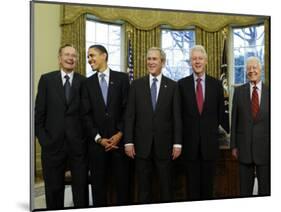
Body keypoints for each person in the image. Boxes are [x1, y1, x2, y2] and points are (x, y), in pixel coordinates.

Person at [124, 47, 182, 203]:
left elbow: (177, 117)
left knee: (166, 188)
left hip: (165, 147)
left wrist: (177, 144)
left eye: (154, 59)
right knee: (143, 189)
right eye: (149, 59)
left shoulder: (173, 86)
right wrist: (128, 141)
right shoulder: (136, 85)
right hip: (141, 147)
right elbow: (130, 116)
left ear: (162, 62)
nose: (151, 62)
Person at [35, 44, 89, 209]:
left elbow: (88, 115)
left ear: (77, 60)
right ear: (59, 58)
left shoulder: (84, 82)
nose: (70, 58)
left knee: (81, 190)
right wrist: (45, 140)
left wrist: (84, 141)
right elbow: (39, 115)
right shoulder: (46, 80)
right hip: (52, 146)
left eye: (73, 55)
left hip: (78, 146)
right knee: (53, 189)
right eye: (67, 55)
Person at [81, 45, 130, 206]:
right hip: (97, 147)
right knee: (98, 189)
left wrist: (119, 134)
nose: (89, 60)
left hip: (119, 145)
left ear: (104, 56)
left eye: (92, 55)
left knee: (123, 188)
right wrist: (98, 139)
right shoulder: (87, 83)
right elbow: (85, 115)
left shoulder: (122, 79)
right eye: (88, 57)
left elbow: (127, 110)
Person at [178, 45, 225, 200]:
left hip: (209, 146)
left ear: (206, 61)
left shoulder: (216, 85)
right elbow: (178, 116)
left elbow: (220, 114)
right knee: (191, 189)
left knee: (208, 189)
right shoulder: (181, 85)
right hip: (189, 147)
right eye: (194, 59)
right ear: (190, 62)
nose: (197, 61)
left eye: (200, 58)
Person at [230, 56, 269, 196]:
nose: (252, 71)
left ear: (261, 70)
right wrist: (233, 145)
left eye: (254, 68)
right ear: (246, 71)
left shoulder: (270, 92)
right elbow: (234, 120)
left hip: (266, 151)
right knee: (244, 190)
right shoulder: (239, 92)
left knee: (266, 191)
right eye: (249, 68)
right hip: (243, 149)